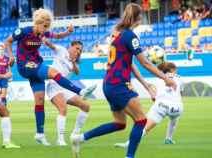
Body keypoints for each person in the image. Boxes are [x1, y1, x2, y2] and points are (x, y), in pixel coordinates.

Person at [70, 3, 176, 158]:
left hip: (109, 84)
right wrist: (166, 78)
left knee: (120, 123)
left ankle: (80, 138)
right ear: (138, 17)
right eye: (140, 16)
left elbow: (130, 63)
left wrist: (146, 85)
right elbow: (145, 62)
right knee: (141, 121)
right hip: (119, 84)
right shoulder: (130, 36)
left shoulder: (117, 34)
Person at [5, 8, 96, 146]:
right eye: (44, 26)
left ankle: (40, 134)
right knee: (53, 73)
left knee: (39, 100)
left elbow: (57, 36)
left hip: (36, 64)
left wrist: (68, 32)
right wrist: (11, 56)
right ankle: (81, 91)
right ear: (38, 22)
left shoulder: (43, 33)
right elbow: (8, 41)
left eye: (47, 27)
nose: (45, 30)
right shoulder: (24, 31)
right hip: (25, 65)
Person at [115, 62, 184, 148]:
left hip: (162, 105)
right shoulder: (180, 78)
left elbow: (155, 95)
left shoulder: (159, 78)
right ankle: (168, 139)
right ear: (172, 69)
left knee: (145, 127)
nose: (176, 71)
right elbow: (180, 93)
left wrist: (155, 97)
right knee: (174, 119)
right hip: (177, 108)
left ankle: (129, 143)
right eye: (176, 69)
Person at [45, 40, 91, 146]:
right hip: (54, 85)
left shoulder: (73, 61)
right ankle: (60, 139)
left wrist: (74, 62)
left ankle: (75, 133)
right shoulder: (61, 50)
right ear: (71, 46)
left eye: (80, 50)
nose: (79, 51)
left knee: (86, 106)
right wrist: (45, 40)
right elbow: (51, 45)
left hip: (65, 88)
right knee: (63, 108)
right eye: (77, 48)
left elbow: (77, 72)